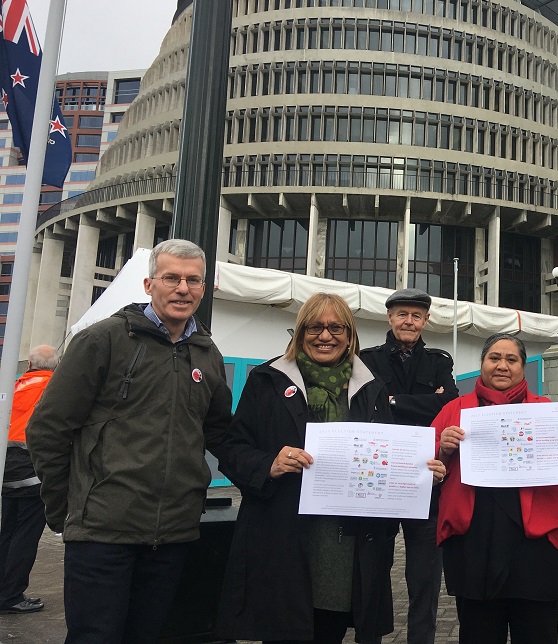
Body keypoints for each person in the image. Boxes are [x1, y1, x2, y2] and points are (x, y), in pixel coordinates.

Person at [26, 239, 234, 643]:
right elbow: (48, 429)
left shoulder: (207, 354)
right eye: (171, 278)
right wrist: (66, 508)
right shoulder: (102, 340)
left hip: (173, 533)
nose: (182, 289)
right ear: (148, 284)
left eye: (193, 280)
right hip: (103, 532)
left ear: (203, 289)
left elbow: (220, 433)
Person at [216, 292, 446, 644]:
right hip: (283, 541)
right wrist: (269, 464)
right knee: (285, 632)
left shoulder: (371, 388)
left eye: (336, 327)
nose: (326, 336)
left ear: (349, 334)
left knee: (331, 631)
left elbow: (382, 453)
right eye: (315, 327)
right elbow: (232, 448)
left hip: (344, 551)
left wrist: (417, 474)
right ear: (299, 332)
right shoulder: (268, 381)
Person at [433, 333, 558, 644]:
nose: (502, 365)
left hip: (537, 545)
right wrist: (443, 449)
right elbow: (426, 466)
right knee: (478, 633)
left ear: (522, 367)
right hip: (473, 542)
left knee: (537, 633)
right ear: (482, 364)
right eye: (494, 358)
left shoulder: (546, 411)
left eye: (511, 359)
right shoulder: (455, 409)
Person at [360, 288, 459, 644]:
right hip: (380, 478)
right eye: (402, 314)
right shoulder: (366, 359)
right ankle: (369, 636)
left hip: (426, 478)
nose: (409, 321)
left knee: (425, 577)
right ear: (389, 318)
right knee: (373, 569)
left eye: (416, 316)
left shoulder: (438, 361)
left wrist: (392, 400)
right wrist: (422, 403)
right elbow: (368, 406)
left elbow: (448, 402)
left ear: (425, 321)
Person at [0, 345, 59, 615]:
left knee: (8, 532)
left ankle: (4, 590)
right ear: (55, 368)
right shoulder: (56, 389)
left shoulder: (15, 386)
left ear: (29, 365)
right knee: (26, 536)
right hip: (34, 472)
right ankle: (12, 595)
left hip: (6, 469)